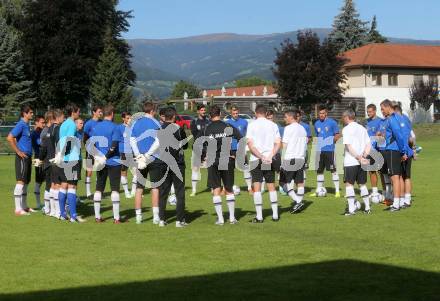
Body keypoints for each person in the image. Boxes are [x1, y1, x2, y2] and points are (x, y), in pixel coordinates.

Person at [203, 105, 242, 225]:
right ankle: (231, 218)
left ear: (210, 115)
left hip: (213, 161)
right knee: (229, 189)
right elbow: (240, 138)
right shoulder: (227, 126)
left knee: (216, 189)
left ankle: (220, 219)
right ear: (219, 114)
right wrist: (235, 153)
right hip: (227, 159)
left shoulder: (207, 128)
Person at [246, 104, 281, 223]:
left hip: (256, 159)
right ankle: (275, 215)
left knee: (257, 187)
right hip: (269, 159)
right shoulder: (273, 125)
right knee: (271, 186)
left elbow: (251, 145)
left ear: (256, 113)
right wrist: (270, 156)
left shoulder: (251, 125)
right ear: (266, 113)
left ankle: (259, 216)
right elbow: (278, 143)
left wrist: (261, 156)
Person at [90, 105, 123, 223]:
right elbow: (114, 145)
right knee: (114, 189)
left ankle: (97, 217)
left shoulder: (96, 127)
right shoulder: (115, 127)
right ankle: (116, 218)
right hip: (113, 161)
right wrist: (105, 157)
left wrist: (97, 157)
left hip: (100, 162)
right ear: (112, 114)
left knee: (99, 188)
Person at [130, 101, 162, 224]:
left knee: (139, 188)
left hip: (140, 159)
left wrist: (138, 155)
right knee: (155, 187)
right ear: (152, 111)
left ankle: (138, 217)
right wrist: (147, 155)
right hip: (153, 157)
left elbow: (132, 140)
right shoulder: (155, 122)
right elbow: (158, 141)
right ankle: (155, 217)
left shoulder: (136, 123)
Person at [157, 107, 189, 227]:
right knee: (179, 191)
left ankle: (161, 219)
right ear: (174, 117)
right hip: (177, 163)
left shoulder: (159, 129)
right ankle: (179, 220)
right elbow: (185, 146)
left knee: (163, 191)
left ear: (164, 116)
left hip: (163, 163)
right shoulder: (178, 129)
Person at [380, 99, 413, 212]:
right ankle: (398, 202)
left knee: (395, 177)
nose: (382, 111)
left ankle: (396, 204)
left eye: (382, 109)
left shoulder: (392, 119)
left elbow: (399, 135)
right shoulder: (398, 118)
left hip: (393, 150)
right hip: (396, 150)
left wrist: (404, 151)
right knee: (398, 177)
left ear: (388, 107)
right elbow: (404, 135)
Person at [341, 109, 372, 215]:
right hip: (362, 161)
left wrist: (358, 157)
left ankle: (351, 210)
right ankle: (367, 208)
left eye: (343, 117)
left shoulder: (346, 129)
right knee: (362, 184)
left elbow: (348, 146)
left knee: (349, 185)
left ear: (346, 117)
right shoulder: (362, 128)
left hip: (351, 161)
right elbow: (368, 144)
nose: (342, 119)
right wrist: (364, 156)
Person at [55, 104, 81, 222]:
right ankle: (73, 215)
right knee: (72, 186)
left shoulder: (63, 124)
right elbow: (69, 141)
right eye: (78, 111)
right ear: (73, 112)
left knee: (63, 185)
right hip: (72, 159)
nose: (79, 113)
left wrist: (60, 154)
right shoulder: (71, 124)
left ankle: (62, 213)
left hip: (63, 160)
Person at [7, 104, 34, 216]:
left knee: (26, 183)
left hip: (28, 157)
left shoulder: (27, 125)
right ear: (25, 113)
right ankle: (18, 209)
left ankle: (24, 206)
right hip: (22, 157)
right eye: (31, 112)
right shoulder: (21, 124)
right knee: (20, 182)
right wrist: (18, 151)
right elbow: (9, 137)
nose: (32, 114)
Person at [310, 106, 341, 198]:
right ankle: (318, 190)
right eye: (320, 113)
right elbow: (317, 135)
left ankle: (337, 191)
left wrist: (330, 141)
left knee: (333, 170)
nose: (321, 115)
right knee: (319, 171)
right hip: (320, 151)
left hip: (329, 150)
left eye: (323, 113)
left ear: (326, 113)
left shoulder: (332, 122)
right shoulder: (316, 123)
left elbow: (338, 135)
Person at [280, 110, 308, 214]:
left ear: (291, 117)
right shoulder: (303, 129)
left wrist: (282, 161)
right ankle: (298, 204)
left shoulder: (288, 128)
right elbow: (305, 145)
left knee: (283, 182)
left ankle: (298, 201)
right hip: (300, 158)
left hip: (290, 158)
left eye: (285, 117)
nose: (284, 119)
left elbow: (284, 145)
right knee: (299, 183)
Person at [42, 109, 64, 218]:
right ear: (57, 118)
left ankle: (52, 210)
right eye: (62, 117)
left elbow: (44, 147)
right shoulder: (58, 129)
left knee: (52, 185)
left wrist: (41, 158)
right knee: (58, 185)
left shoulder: (48, 130)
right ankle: (58, 211)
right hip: (56, 160)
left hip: (49, 160)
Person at [225, 105, 251, 194]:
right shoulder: (227, 123)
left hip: (241, 148)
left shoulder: (244, 122)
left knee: (246, 167)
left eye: (237, 113)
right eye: (234, 113)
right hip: (231, 149)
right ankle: (228, 188)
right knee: (230, 169)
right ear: (230, 113)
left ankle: (249, 188)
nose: (235, 115)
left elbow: (247, 134)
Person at [393, 102, 414, 208]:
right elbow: (411, 138)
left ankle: (401, 200)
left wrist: (404, 152)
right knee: (407, 177)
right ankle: (408, 200)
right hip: (408, 152)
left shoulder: (397, 122)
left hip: (401, 152)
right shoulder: (407, 120)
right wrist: (412, 150)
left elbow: (401, 138)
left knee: (400, 176)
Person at [365, 104, 386, 202]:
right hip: (369, 150)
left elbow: (381, 135)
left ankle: (386, 193)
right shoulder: (366, 122)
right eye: (367, 112)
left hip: (378, 150)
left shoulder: (381, 121)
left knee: (381, 172)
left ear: (375, 111)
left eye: (370, 111)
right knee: (371, 171)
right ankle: (374, 192)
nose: (368, 113)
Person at [189, 104, 210, 196]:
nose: (203, 112)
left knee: (211, 169)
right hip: (197, 148)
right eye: (201, 110)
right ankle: (194, 190)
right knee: (195, 169)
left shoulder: (209, 122)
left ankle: (213, 188)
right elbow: (195, 135)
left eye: (204, 110)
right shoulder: (194, 122)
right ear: (198, 111)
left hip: (208, 148)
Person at [83, 105, 102, 199]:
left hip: (100, 150)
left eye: (101, 111)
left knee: (99, 170)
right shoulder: (88, 124)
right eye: (99, 111)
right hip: (91, 150)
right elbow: (85, 137)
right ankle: (88, 193)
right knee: (89, 171)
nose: (100, 113)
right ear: (94, 112)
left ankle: (98, 192)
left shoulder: (102, 123)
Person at [37, 110, 54, 215]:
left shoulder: (51, 130)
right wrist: (41, 159)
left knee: (53, 185)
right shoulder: (45, 132)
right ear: (50, 119)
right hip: (47, 162)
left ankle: (51, 207)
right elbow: (43, 149)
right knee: (48, 185)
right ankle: (47, 208)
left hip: (52, 162)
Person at [266, 110, 283, 195]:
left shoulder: (278, 127)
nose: (270, 120)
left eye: (271, 118)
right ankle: (262, 188)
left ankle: (281, 188)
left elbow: (281, 140)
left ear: (274, 118)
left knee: (279, 170)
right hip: (266, 154)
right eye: (268, 118)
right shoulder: (263, 127)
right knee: (265, 170)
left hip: (276, 153)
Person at [118, 112, 135, 199]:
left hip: (132, 151)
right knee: (124, 171)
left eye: (130, 118)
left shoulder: (133, 127)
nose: (129, 120)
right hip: (123, 151)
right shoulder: (119, 128)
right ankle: (126, 191)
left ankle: (134, 191)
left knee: (136, 172)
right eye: (128, 118)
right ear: (123, 119)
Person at [31, 115, 46, 209]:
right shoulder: (34, 133)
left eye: (44, 122)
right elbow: (40, 143)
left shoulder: (42, 132)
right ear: (36, 122)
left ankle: (47, 202)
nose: (43, 124)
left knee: (47, 179)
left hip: (44, 158)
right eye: (42, 122)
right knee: (38, 180)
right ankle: (38, 203)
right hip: (37, 158)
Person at [298, 111, 312, 186]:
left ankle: (303, 187)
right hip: (293, 152)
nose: (297, 118)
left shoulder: (306, 126)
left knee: (303, 168)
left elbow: (309, 138)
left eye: (298, 116)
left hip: (303, 150)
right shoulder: (291, 126)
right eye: (295, 116)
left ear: (300, 116)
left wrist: (303, 142)